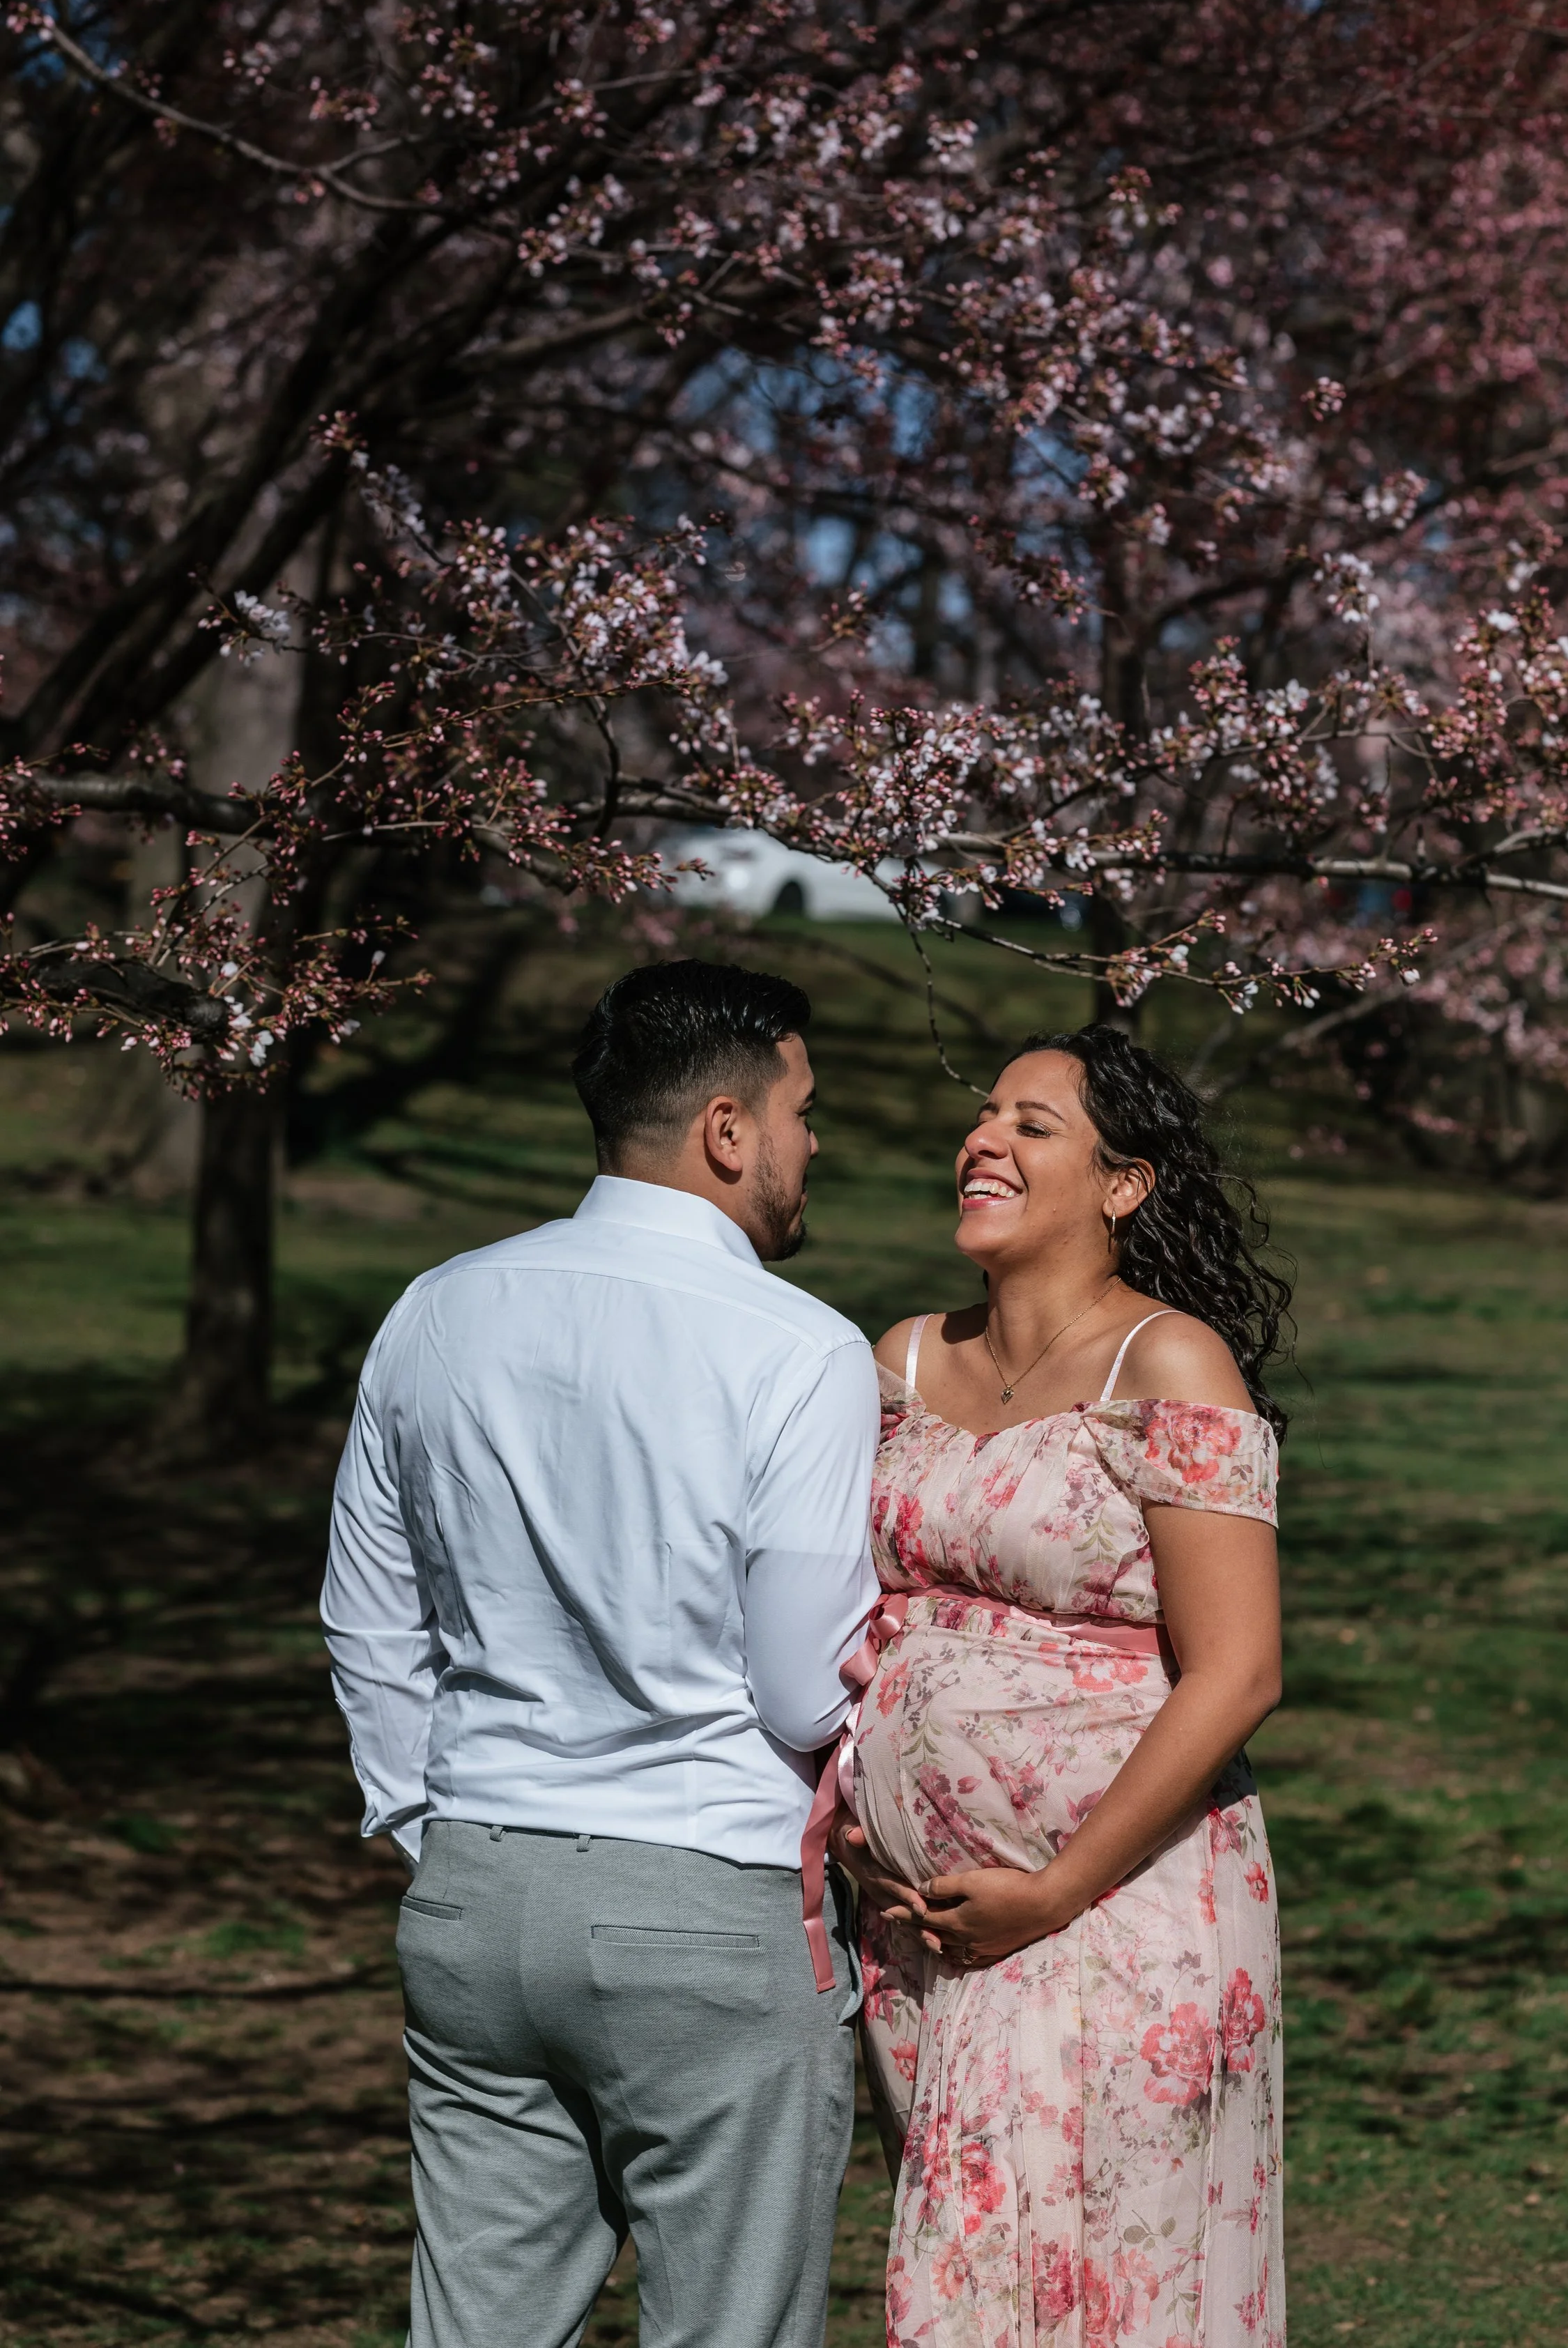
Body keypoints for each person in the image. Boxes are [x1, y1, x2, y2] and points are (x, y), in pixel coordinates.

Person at [321, 960, 879, 2348]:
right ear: (727, 1130)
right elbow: (805, 1687)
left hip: (477, 1895)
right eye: (803, 1109)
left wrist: (426, 1826)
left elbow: (366, 1617)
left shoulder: (435, 1310)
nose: (817, 1143)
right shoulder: (801, 1351)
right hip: (708, 1903)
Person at [836, 1025, 1289, 2348]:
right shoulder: (900, 1360)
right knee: (972, 2279)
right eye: (984, 1116)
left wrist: (1057, 1883)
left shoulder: (1172, 1364)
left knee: (1112, 2294)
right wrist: (853, 1828)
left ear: (1123, 1184)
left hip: (1125, 1906)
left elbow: (1239, 1669)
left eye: (1034, 1124)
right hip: (922, 1924)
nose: (984, 1139)